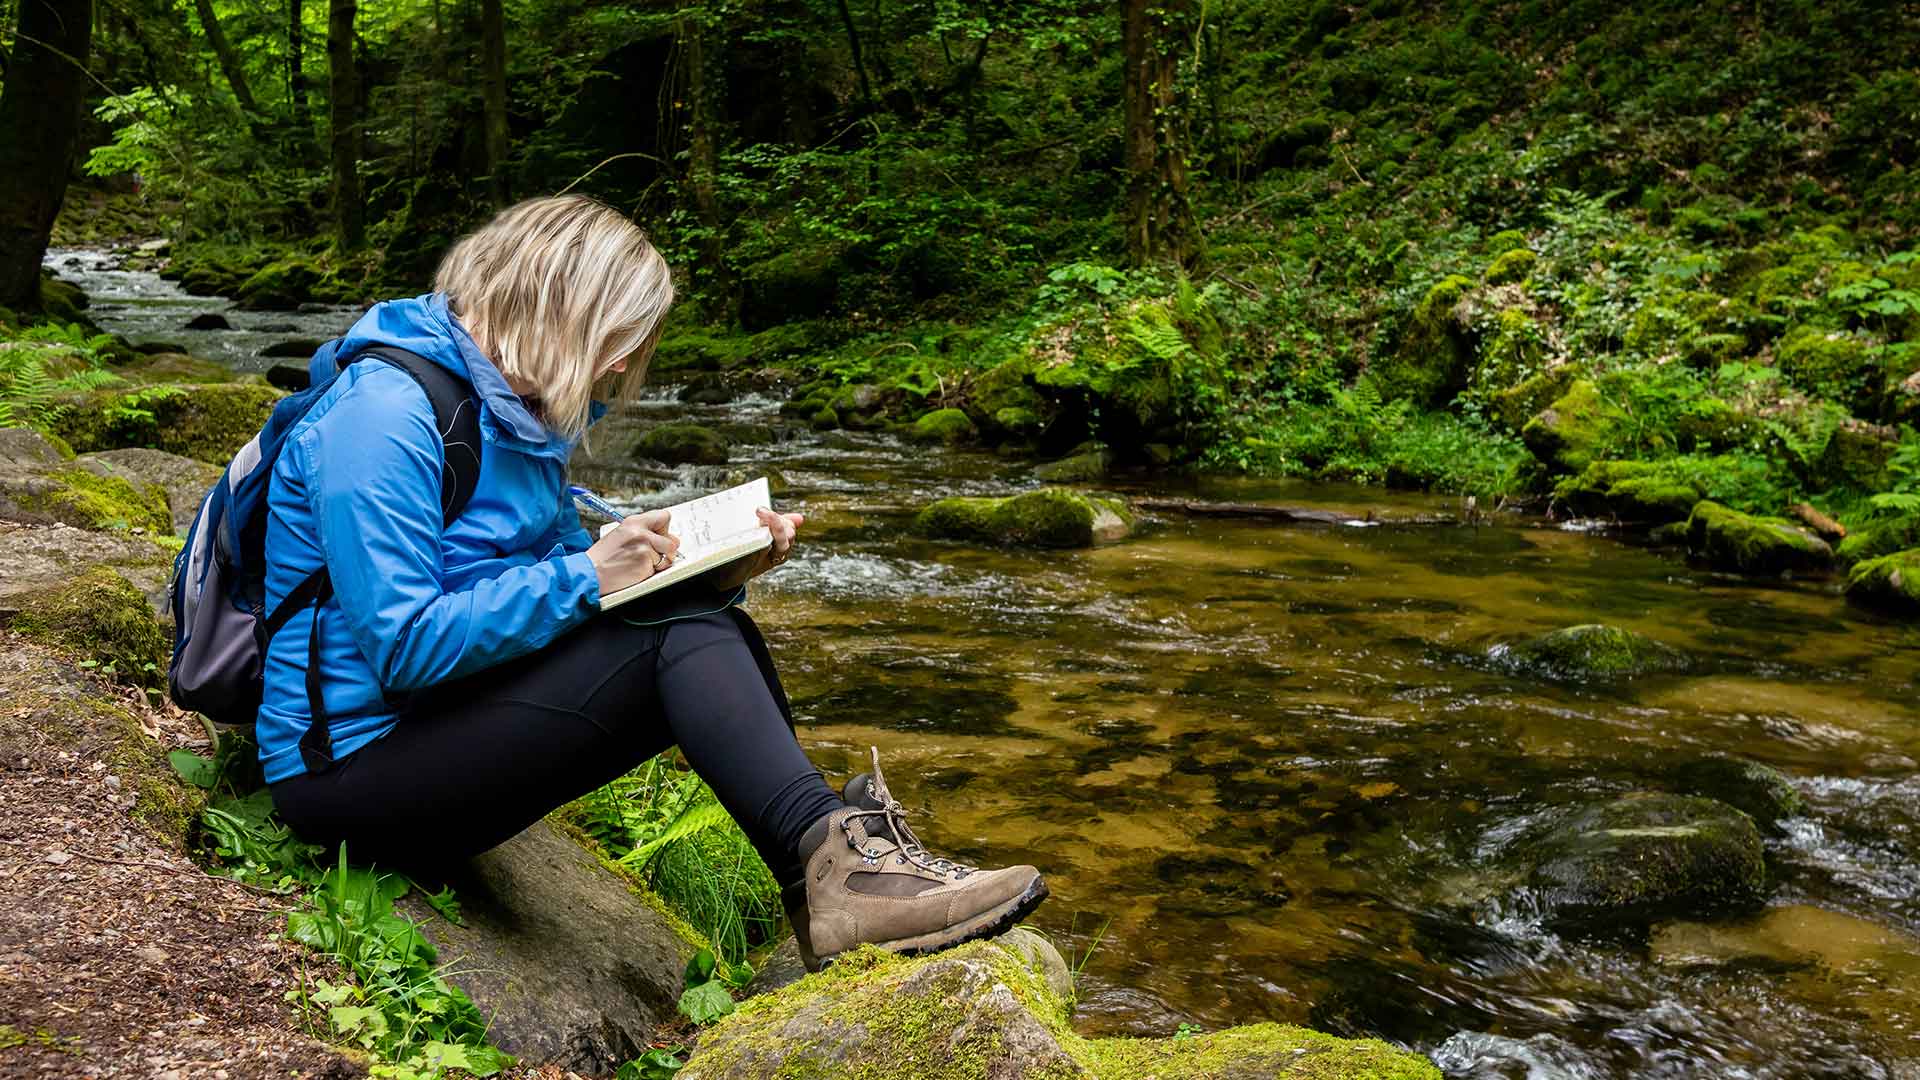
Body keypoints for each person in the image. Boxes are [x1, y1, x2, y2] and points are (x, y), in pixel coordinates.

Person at [258, 194, 1047, 968]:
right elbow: (404, 644)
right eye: (622, 337)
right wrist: (590, 575)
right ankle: (841, 871)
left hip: (436, 723)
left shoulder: (509, 412)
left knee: (702, 617)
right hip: (347, 776)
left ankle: (831, 879)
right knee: (676, 632)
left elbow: (553, 595)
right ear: (561, 307)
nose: (627, 364)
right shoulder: (383, 415)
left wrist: (712, 570)